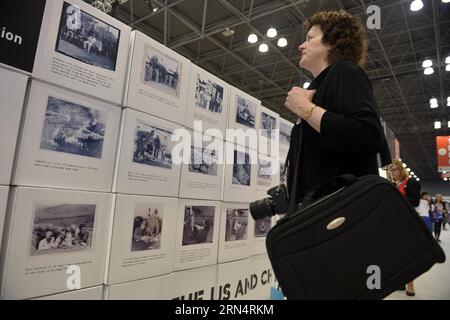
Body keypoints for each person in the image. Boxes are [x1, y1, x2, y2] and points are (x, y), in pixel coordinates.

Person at [284, 10, 388, 204]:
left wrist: (306, 109)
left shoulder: (345, 72)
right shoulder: (319, 88)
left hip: (344, 211)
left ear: (332, 41)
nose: (300, 45)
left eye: (309, 38)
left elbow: (369, 135)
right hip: (322, 210)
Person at [388, 159, 421, 297]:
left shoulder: (411, 183)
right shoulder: (393, 186)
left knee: (408, 254)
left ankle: (410, 284)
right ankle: (401, 281)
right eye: (390, 170)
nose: (392, 172)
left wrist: (397, 201)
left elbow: (415, 201)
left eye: (394, 169)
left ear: (401, 169)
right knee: (397, 255)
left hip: (408, 222)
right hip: (395, 223)